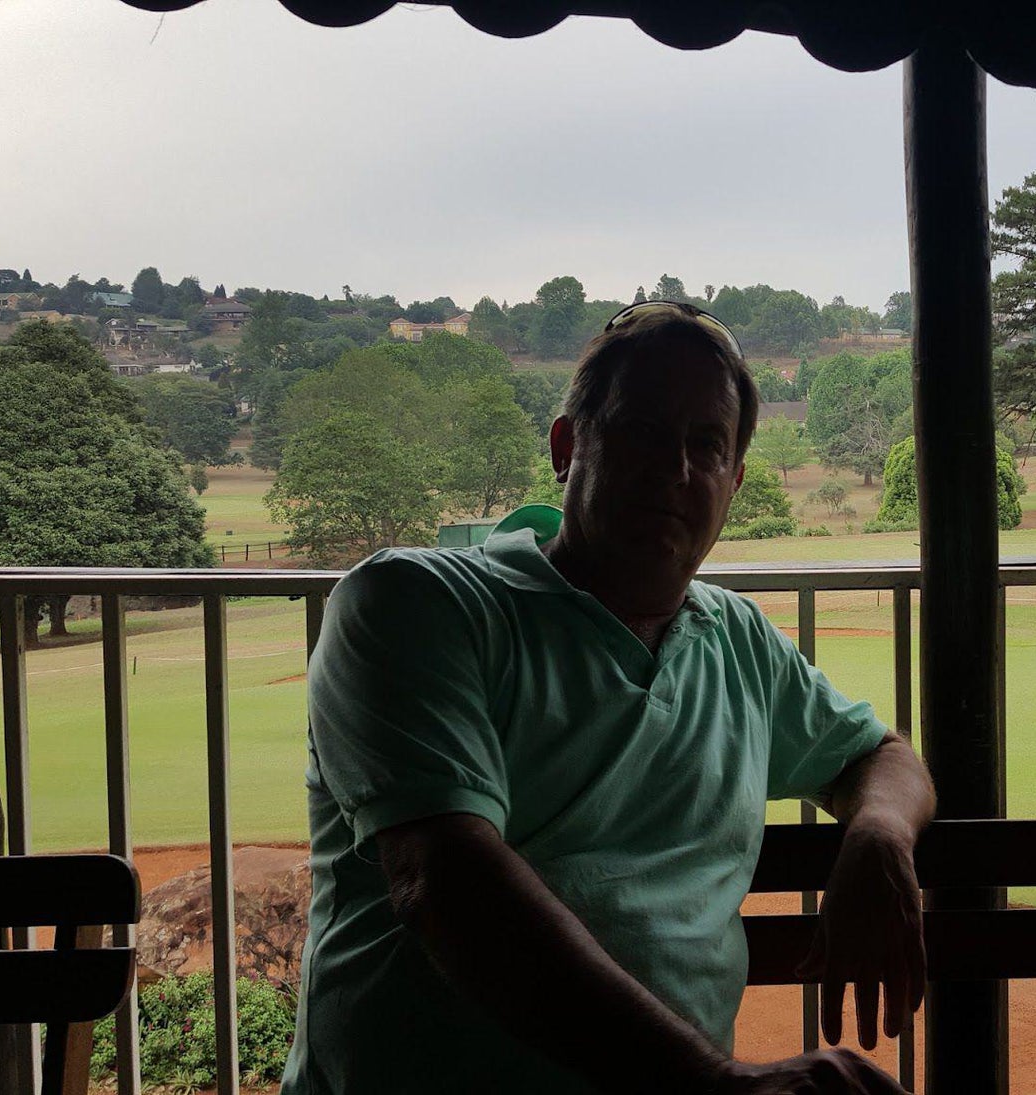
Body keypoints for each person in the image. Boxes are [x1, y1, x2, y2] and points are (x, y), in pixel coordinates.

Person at [284, 301, 934, 1095]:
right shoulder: (416, 605)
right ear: (567, 447)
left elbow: (884, 756)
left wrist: (877, 832)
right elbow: (448, 884)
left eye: (707, 445)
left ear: (733, 480)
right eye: (642, 433)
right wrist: (714, 1086)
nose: (677, 469)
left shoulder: (735, 640)